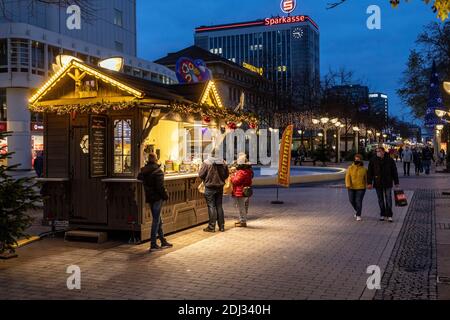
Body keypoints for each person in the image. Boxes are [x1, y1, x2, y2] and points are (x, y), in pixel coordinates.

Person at [137, 153, 172, 251]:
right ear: (156, 159)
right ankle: (153, 244)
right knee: (156, 221)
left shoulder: (143, 171)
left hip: (150, 198)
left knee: (158, 219)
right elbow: (160, 187)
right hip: (157, 198)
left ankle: (162, 241)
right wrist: (165, 196)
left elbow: (138, 177)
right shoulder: (158, 172)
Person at [199, 152, 229, 233]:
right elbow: (226, 175)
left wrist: (206, 179)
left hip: (210, 187)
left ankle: (212, 226)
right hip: (220, 187)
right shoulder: (223, 162)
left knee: (211, 206)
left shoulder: (206, 162)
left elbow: (201, 174)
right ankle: (221, 226)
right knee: (219, 205)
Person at [368, 147, 400, 223]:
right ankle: (382, 214)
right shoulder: (373, 160)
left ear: (383, 152)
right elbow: (370, 172)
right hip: (378, 182)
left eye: (378, 151)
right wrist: (369, 182)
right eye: (376, 151)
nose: (377, 152)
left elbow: (394, 171)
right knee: (380, 199)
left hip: (387, 181)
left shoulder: (389, 160)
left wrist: (396, 182)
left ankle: (389, 215)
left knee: (388, 199)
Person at [230, 153, 254, 228]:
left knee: (241, 207)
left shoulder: (242, 172)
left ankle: (243, 221)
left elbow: (235, 181)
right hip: (245, 190)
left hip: (241, 191)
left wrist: (232, 177)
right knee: (243, 206)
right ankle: (241, 219)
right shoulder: (248, 170)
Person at [345, 154, 367, 222]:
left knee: (358, 201)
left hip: (361, 187)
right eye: (355, 159)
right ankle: (357, 210)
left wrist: (368, 184)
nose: (356, 160)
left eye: (358, 159)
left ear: (361, 160)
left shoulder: (364, 169)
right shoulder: (350, 168)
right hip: (351, 187)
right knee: (351, 200)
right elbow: (347, 177)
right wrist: (348, 185)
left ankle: (358, 215)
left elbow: (366, 178)